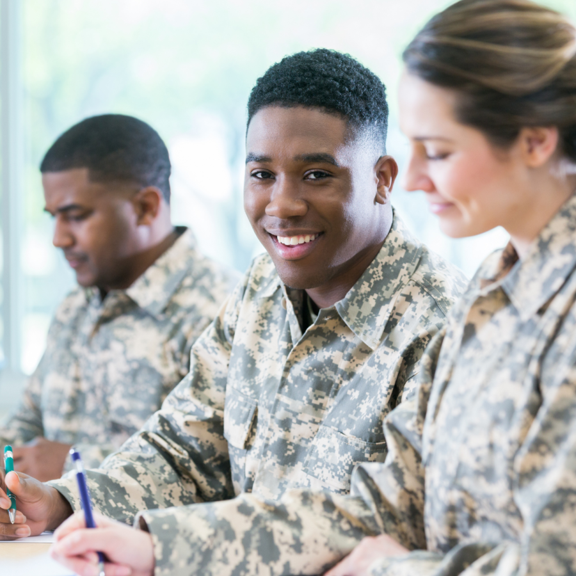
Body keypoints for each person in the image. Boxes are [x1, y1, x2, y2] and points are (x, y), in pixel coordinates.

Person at [44, 1, 576, 575]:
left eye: (439, 150)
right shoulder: (495, 295)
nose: (418, 179)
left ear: (536, 142)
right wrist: (157, 546)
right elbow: (384, 504)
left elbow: (550, 562)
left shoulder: (461, 312)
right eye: (261, 174)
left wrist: (388, 570)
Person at [0, 47, 467, 561]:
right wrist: (58, 500)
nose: (282, 205)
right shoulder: (262, 287)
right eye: (262, 174)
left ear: (381, 179)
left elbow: (389, 522)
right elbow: (184, 449)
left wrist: (165, 550)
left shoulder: (445, 325)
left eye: (317, 175)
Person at [0, 114, 240, 482]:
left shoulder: (224, 311)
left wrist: (73, 464)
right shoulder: (75, 306)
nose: (58, 238)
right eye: (53, 218)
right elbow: (26, 425)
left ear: (145, 207)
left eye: (75, 216)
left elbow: (218, 471)